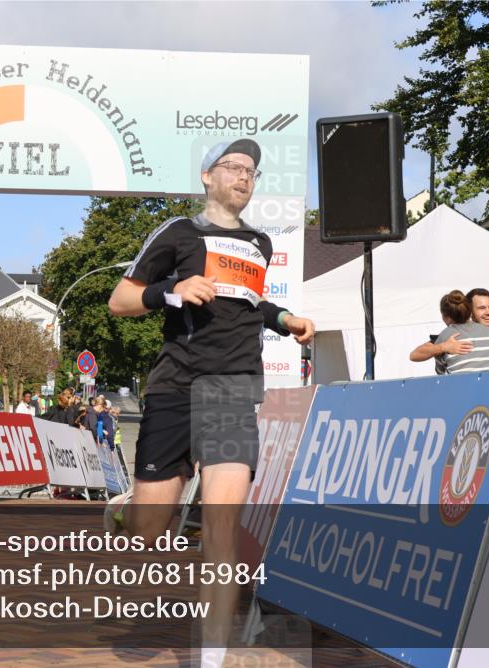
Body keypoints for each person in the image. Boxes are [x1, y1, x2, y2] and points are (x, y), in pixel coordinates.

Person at [104, 137, 315, 659]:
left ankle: (212, 658)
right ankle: (125, 510)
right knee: (147, 532)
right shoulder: (178, 233)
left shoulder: (259, 245)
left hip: (233, 389)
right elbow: (120, 300)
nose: (244, 177)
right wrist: (171, 291)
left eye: (252, 171)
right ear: (207, 176)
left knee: (222, 527)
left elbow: (249, 304)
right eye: (233, 167)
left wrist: (284, 319)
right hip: (178, 386)